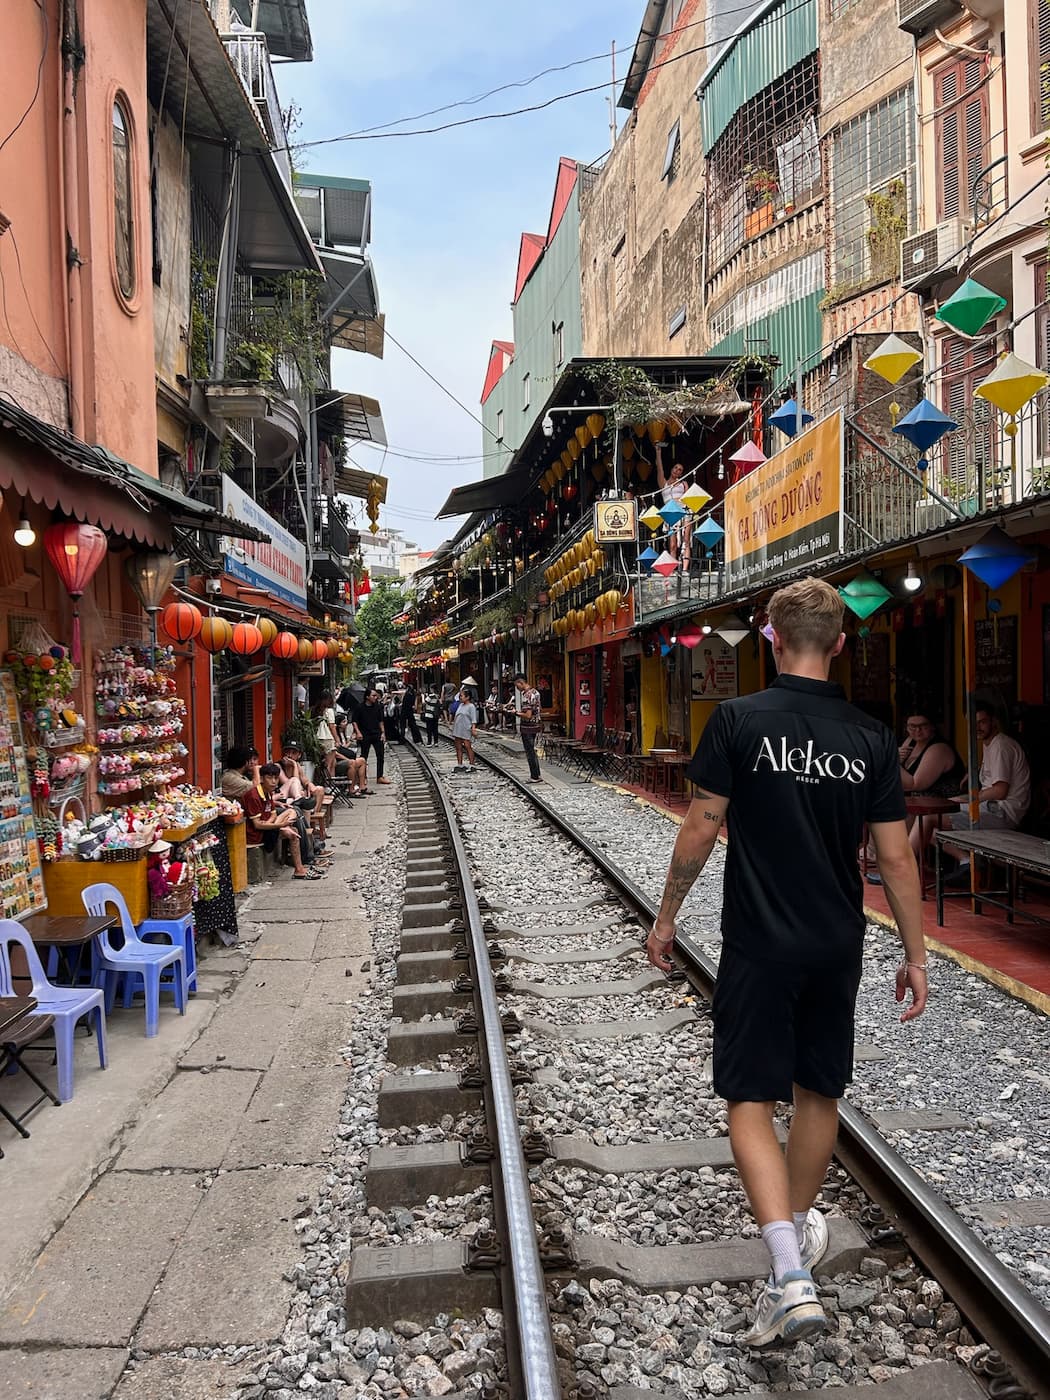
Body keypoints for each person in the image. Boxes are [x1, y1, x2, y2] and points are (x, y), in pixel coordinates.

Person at [648, 576, 926, 1348]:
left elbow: (701, 830)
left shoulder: (736, 721)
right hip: (838, 943)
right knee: (818, 1093)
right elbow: (897, 861)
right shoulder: (870, 738)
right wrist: (916, 956)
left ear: (772, 639)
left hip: (760, 943)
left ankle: (788, 1272)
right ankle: (793, 1248)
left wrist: (666, 917)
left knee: (747, 1095)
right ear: (841, 643)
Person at [942, 704, 1031, 885]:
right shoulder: (989, 745)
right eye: (973, 724)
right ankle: (968, 861)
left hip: (1003, 812)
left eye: (982, 722)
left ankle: (968, 862)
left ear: (994, 722)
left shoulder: (1001, 745)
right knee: (927, 819)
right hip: (990, 808)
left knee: (929, 820)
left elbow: (999, 791)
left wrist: (966, 799)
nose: (977, 727)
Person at [241, 764, 325, 880]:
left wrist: (273, 824)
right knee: (292, 832)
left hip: (268, 827)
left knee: (292, 813)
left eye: (276, 778)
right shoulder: (253, 796)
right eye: (269, 778)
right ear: (261, 779)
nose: (274, 781)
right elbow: (257, 824)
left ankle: (299, 869)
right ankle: (300, 868)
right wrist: (280, 825)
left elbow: (273, 813)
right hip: (257, 834)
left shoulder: (268, 792)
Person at [655, 441, 692, 570]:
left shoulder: (684, 483)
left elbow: (688, 498)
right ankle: (674, 567)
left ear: (682, 473)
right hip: (670, 513)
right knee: (672, 544)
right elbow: (659, 468)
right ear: (671, 469)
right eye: (676, 468)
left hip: (683, 510)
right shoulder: (664, 483)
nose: (677, 470)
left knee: (686, 540)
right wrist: (658, 452)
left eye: (680, 470)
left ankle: (685, 569)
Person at [354, 688, 390, 785]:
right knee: (364, 756)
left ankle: (380, 776)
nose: (375, 697)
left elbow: (380, 721)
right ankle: (363, 777)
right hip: (364, 734)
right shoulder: (360, 707)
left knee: (380, 755)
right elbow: (355, 721)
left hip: (376, 733)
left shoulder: (377, 707)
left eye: (376, 696)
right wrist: (358, 732)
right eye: (373, 696)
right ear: (367, 697)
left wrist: (383, 733)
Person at [513, 671, 543, 783]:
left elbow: (528, 715)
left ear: (520, 682)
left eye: (517, 685)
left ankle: (534, 776)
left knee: (529, 751)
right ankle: (537, 774)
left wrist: (516, 712)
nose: (517, 688)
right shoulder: (536, 692)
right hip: (536, 724)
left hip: (528, 727)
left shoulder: (527, 695)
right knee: (532, 750)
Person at [451, 687, 477, 770]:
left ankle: (472, 764)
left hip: (466, 728)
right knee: (458, 746)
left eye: (461, 696)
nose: (460, 698)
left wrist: (473, 728)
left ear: (467, 697)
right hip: (458, 728)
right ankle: (460, 764)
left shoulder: (471, 706)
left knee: (467, 746)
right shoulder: (460, 705)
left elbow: (473, 719)